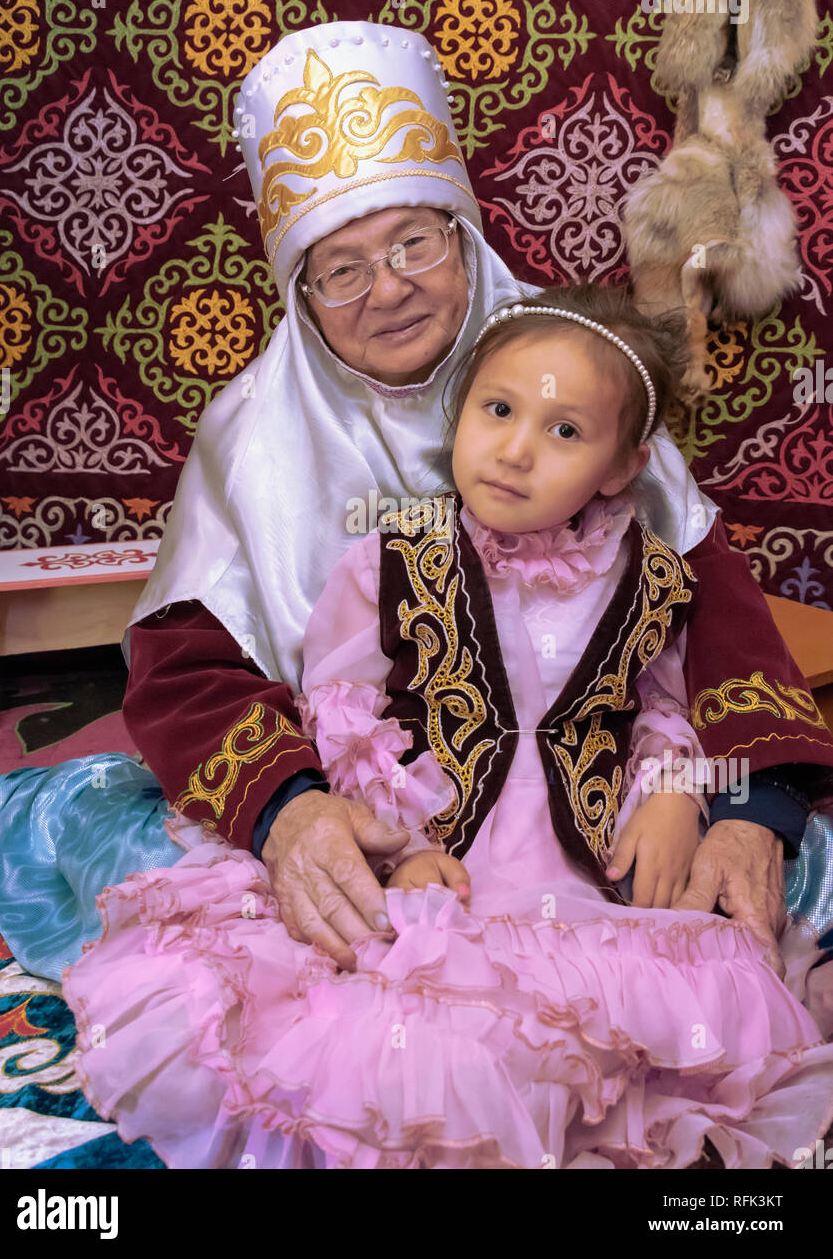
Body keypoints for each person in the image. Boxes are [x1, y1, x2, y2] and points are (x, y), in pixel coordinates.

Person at [0, 22, 833, 992]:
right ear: (300, 288)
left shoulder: (572, 375)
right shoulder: (250, 430)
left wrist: (745, 809)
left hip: (594, 808)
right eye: (341, 267)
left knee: (781, 892)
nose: (387, 288)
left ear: (461, 234)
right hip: (374, 821)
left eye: (412, 242)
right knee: (164, 878)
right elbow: (186, 669)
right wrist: (288, 812)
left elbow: (705, 614)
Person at [60, 284, 833, 1169]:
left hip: (577, 857)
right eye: (497, 410)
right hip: (442, 854)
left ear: (624, 467)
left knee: (652, 1004)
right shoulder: (394, 558)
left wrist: (671, 797)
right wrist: (397, 844)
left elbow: (660, 702)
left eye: (566, 432)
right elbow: (345, 713)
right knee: (406, 1023)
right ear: (459, 412)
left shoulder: (652, 576)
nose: (514, 450)